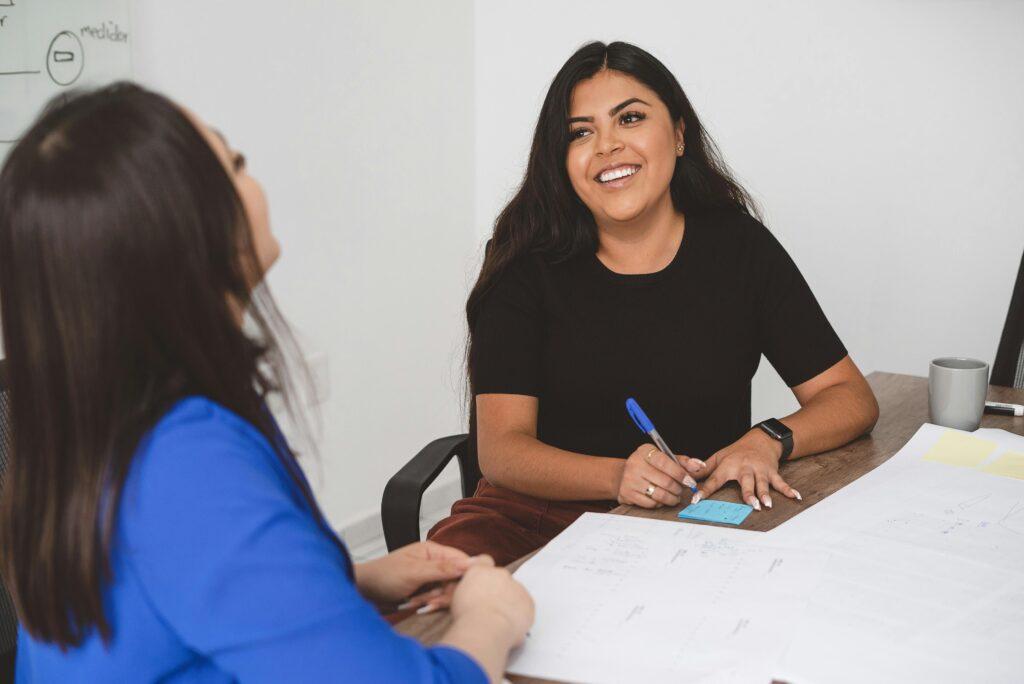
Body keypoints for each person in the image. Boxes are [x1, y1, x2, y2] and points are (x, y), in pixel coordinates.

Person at [0, 83, 533, 683]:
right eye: (234, 164)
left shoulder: (109, 419)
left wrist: (347, 580)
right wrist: (491, 618)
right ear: (184, 229)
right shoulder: (185, 462)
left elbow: (174, 588)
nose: (253, 179)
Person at [428, 41, 879, 566]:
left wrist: (769, 438)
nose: (607, 146)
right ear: (561, 160)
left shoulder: (739, 247)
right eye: (580, 132)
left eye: (631, 118)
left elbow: (849, 396)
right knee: (430, 618)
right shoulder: (524, 265)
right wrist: (616, 475)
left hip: (688, 520)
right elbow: (502, 451)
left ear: (680, 134)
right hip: (532, 520)